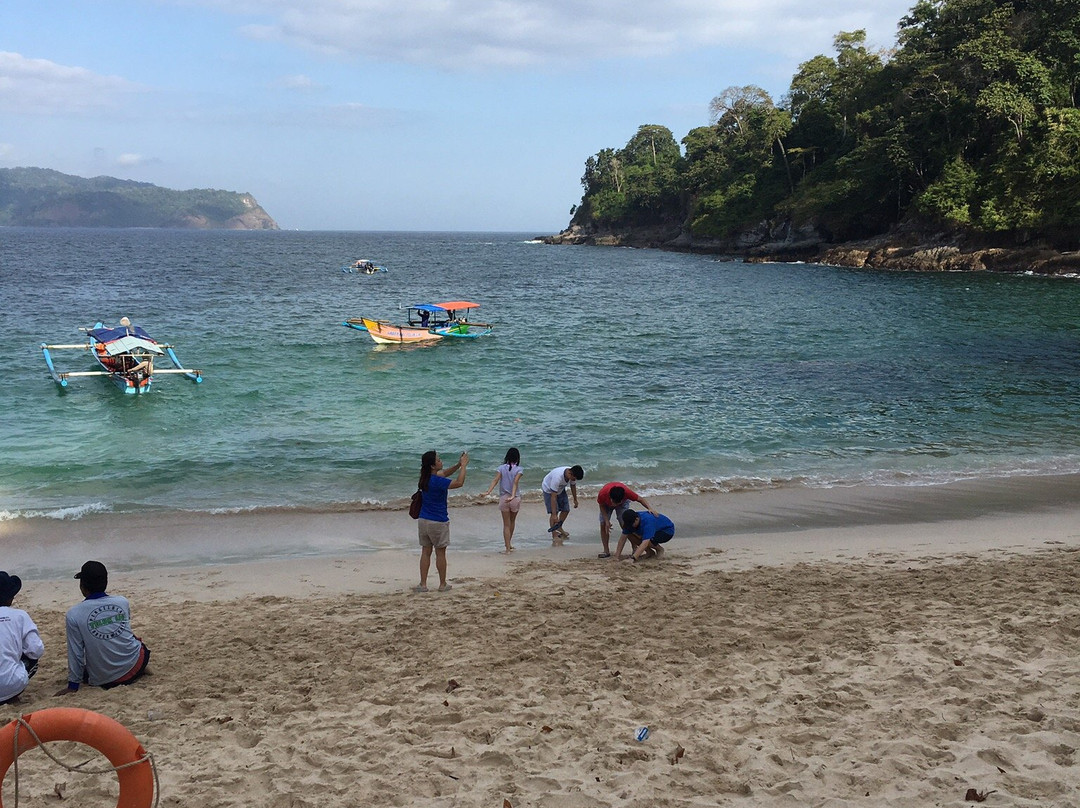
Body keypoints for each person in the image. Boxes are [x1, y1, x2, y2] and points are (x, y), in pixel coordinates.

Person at [56, 561, 151, 695]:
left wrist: (73, 685)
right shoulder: (122, 602)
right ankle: (139, 668)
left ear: (82, 586)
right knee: (130, 636)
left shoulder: (74, 614)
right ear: (105, 582)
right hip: (136, 663)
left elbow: (76, 653)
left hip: (104, 679)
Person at [415, 450, 469, 592]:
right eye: (438, 460)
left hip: (423, 520)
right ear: (433, 465)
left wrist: (458, 464)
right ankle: (442, 584)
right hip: (438, 521)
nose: (441, 461)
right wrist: (464, 466)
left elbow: (444, 473)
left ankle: (423, 584)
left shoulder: (425, 478)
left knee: (425, 552)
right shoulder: (438, 481)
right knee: (440, 553)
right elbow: (459, 482)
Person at [0, 571, 44, 705]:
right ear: (10, 597)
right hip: (11, 685)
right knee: (32, 659)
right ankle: (10, 695)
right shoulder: (20, 616)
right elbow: (36, 650)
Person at [596, 482, 659, 559]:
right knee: (603, 524)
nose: (614, 505)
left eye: (616, 503)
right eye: (613, 503)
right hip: (606, 504)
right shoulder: (603, 494)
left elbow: (641, 499)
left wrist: (650, 508)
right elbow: (601, 505)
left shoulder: (627, 493)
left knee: (627, 524)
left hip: (623, 504)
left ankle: (634, 547)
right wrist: (606, 520)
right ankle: (606, 551)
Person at [484, 448, 524, 552]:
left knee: (506, 524)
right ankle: (509, 544)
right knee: (512, 521)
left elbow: (495, 480)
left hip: (503, 498)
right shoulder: (519, 469)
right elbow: (515, 482)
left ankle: (507, 548)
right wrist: (513, 495)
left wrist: (488, 492)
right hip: (514, 498)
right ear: (517, 458)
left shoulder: (501, 468)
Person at [541, 465, 584, 543]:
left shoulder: (572, 473)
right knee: (554, 513)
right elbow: (553, 497)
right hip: (549, 490)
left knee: (566, 509)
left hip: (560, 489)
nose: (574, 480)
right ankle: (554, 534)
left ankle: (559, 527)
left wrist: (575, 499)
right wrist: (554, 515)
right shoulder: (557, 477)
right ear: (570, 474)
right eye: (574, 478)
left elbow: (573, 485)